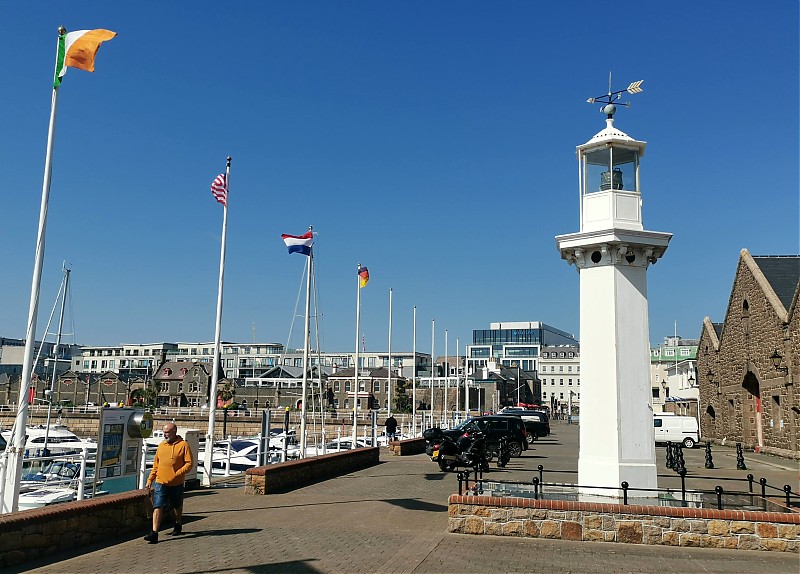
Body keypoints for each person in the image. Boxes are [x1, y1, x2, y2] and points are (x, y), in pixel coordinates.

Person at [144, 422, 193, 544]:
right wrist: (150, 479)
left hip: (176, 483)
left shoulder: (183, 445)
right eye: (164, 432)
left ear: (174, 432)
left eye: (167, 432)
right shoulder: (161, 446)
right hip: (161, 482)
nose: (165, 435)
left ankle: (178, 523)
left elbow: (189, 463)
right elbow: (156, 465)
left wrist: (177, 473)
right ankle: (154, 533)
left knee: (177, 505)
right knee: (158, 506)